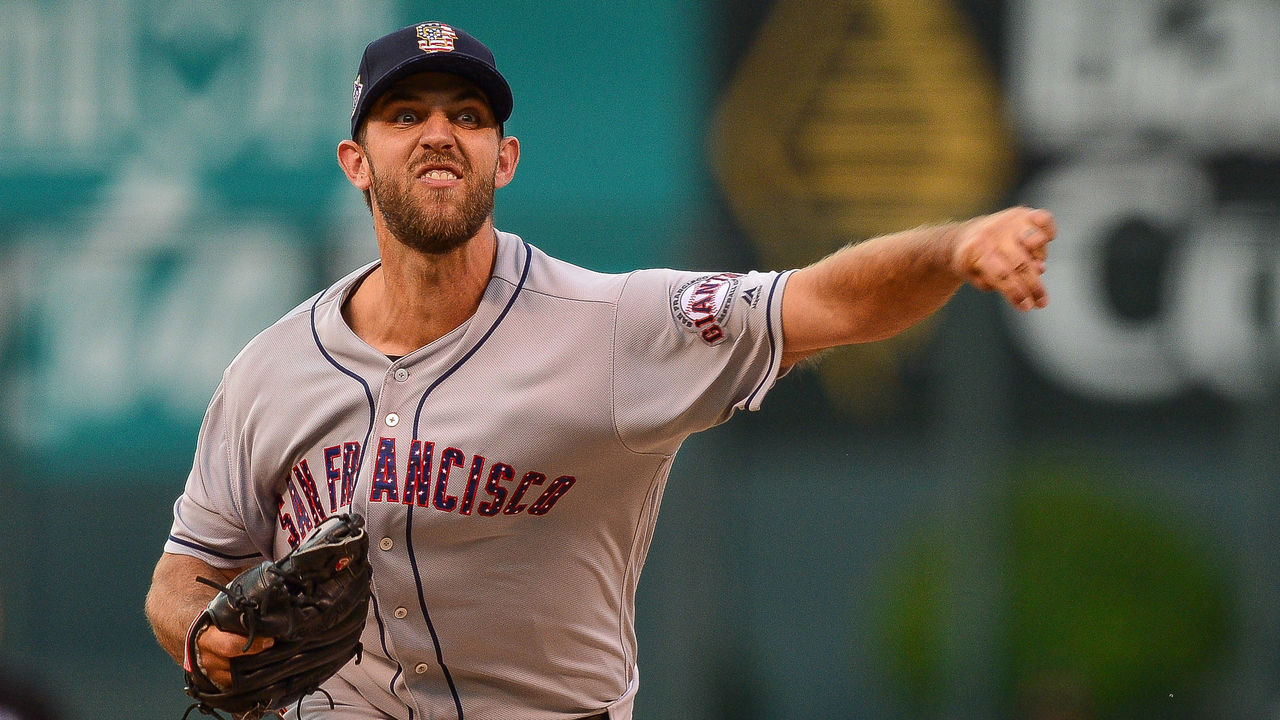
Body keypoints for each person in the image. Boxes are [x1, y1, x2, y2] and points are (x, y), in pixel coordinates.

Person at [144, 21, 1055, 720]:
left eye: (469, 116)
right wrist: (205, 635)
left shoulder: (610, 327)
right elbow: (184, 573)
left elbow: (826, 303)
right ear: (356, 161)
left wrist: (956, 247)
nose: (438, 134)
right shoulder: (270, 369)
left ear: (505, 159)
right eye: (404, 113)